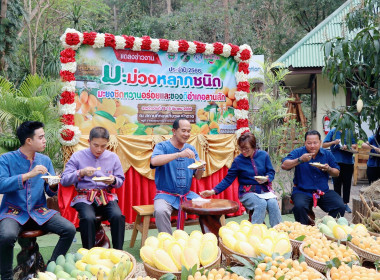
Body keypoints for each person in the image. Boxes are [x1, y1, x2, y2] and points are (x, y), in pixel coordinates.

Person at [0, 121, 76, 280]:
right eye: (41, 137)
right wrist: (28, 175)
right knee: (6, 236)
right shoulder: (6, 159)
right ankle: (6, 277)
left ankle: (51, 267)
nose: (44, 140)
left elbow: (50, 190)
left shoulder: (45, 160)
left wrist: (54, 183)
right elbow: (1, 185)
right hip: (13, 212)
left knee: (69, 229)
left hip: (38, 211)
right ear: (29, 140)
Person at [61, 127, 125, 249]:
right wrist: (81, 173)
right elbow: (64, 180)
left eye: (103, 146)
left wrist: (113, 180)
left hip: (105, 196)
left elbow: (120, 180)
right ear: (88, 141)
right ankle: (88, 252)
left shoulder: (113, 157)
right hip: (84, 197)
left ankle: (118, 252)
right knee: (88, 218)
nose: (99, 149)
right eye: (95, 145)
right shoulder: (77, 156)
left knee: (118, 216)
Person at [201, 132, 282, 227]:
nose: (243, 151)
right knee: (261, 203)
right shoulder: (238, 161)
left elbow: (271, 172)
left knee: (273, 203)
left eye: (247, 148)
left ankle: (277, 230)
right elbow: (228, 179)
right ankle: (255, 232)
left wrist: (267, 178)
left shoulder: (264, 155)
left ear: (253, 146)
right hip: (247, 193)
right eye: (241, 148)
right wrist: (213, 191)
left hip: (264, 191)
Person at [150, 117, 205, 233]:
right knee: (161, 211)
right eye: (183, 131)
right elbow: (154, 161)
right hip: (165, 195)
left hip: (187, 195)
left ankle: (209, 239)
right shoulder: (162, 146)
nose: (187, 134)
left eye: (189, 131)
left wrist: (200, 167)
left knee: (207, 207)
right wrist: (178, 155)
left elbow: (198, 176)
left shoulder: (191, 149)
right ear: (174, 131)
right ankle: (168, 243)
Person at [281, 130, 345, 225]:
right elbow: (284, 165)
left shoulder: (327, 154)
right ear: (305, 143)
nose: (312, 146)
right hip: (302, 191)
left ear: (320, 142)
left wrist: (328, 169)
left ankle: (325, 226)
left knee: (340, 206)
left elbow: (337, 173)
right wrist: (300, 160)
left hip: (322, 191)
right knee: (299, 206)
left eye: (315, 143)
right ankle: (305, 229)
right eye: (309, 143)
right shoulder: (299, 153)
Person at [322, 128, 357, 213]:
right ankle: (337, 203)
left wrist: (347, 146)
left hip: (348, 162)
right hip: (335, 162)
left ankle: (345, 204)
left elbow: (355, 145)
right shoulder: (333, 131)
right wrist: (334, 142)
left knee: (347, 183)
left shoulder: (350, 131)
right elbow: (324, 145)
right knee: (337, 183)